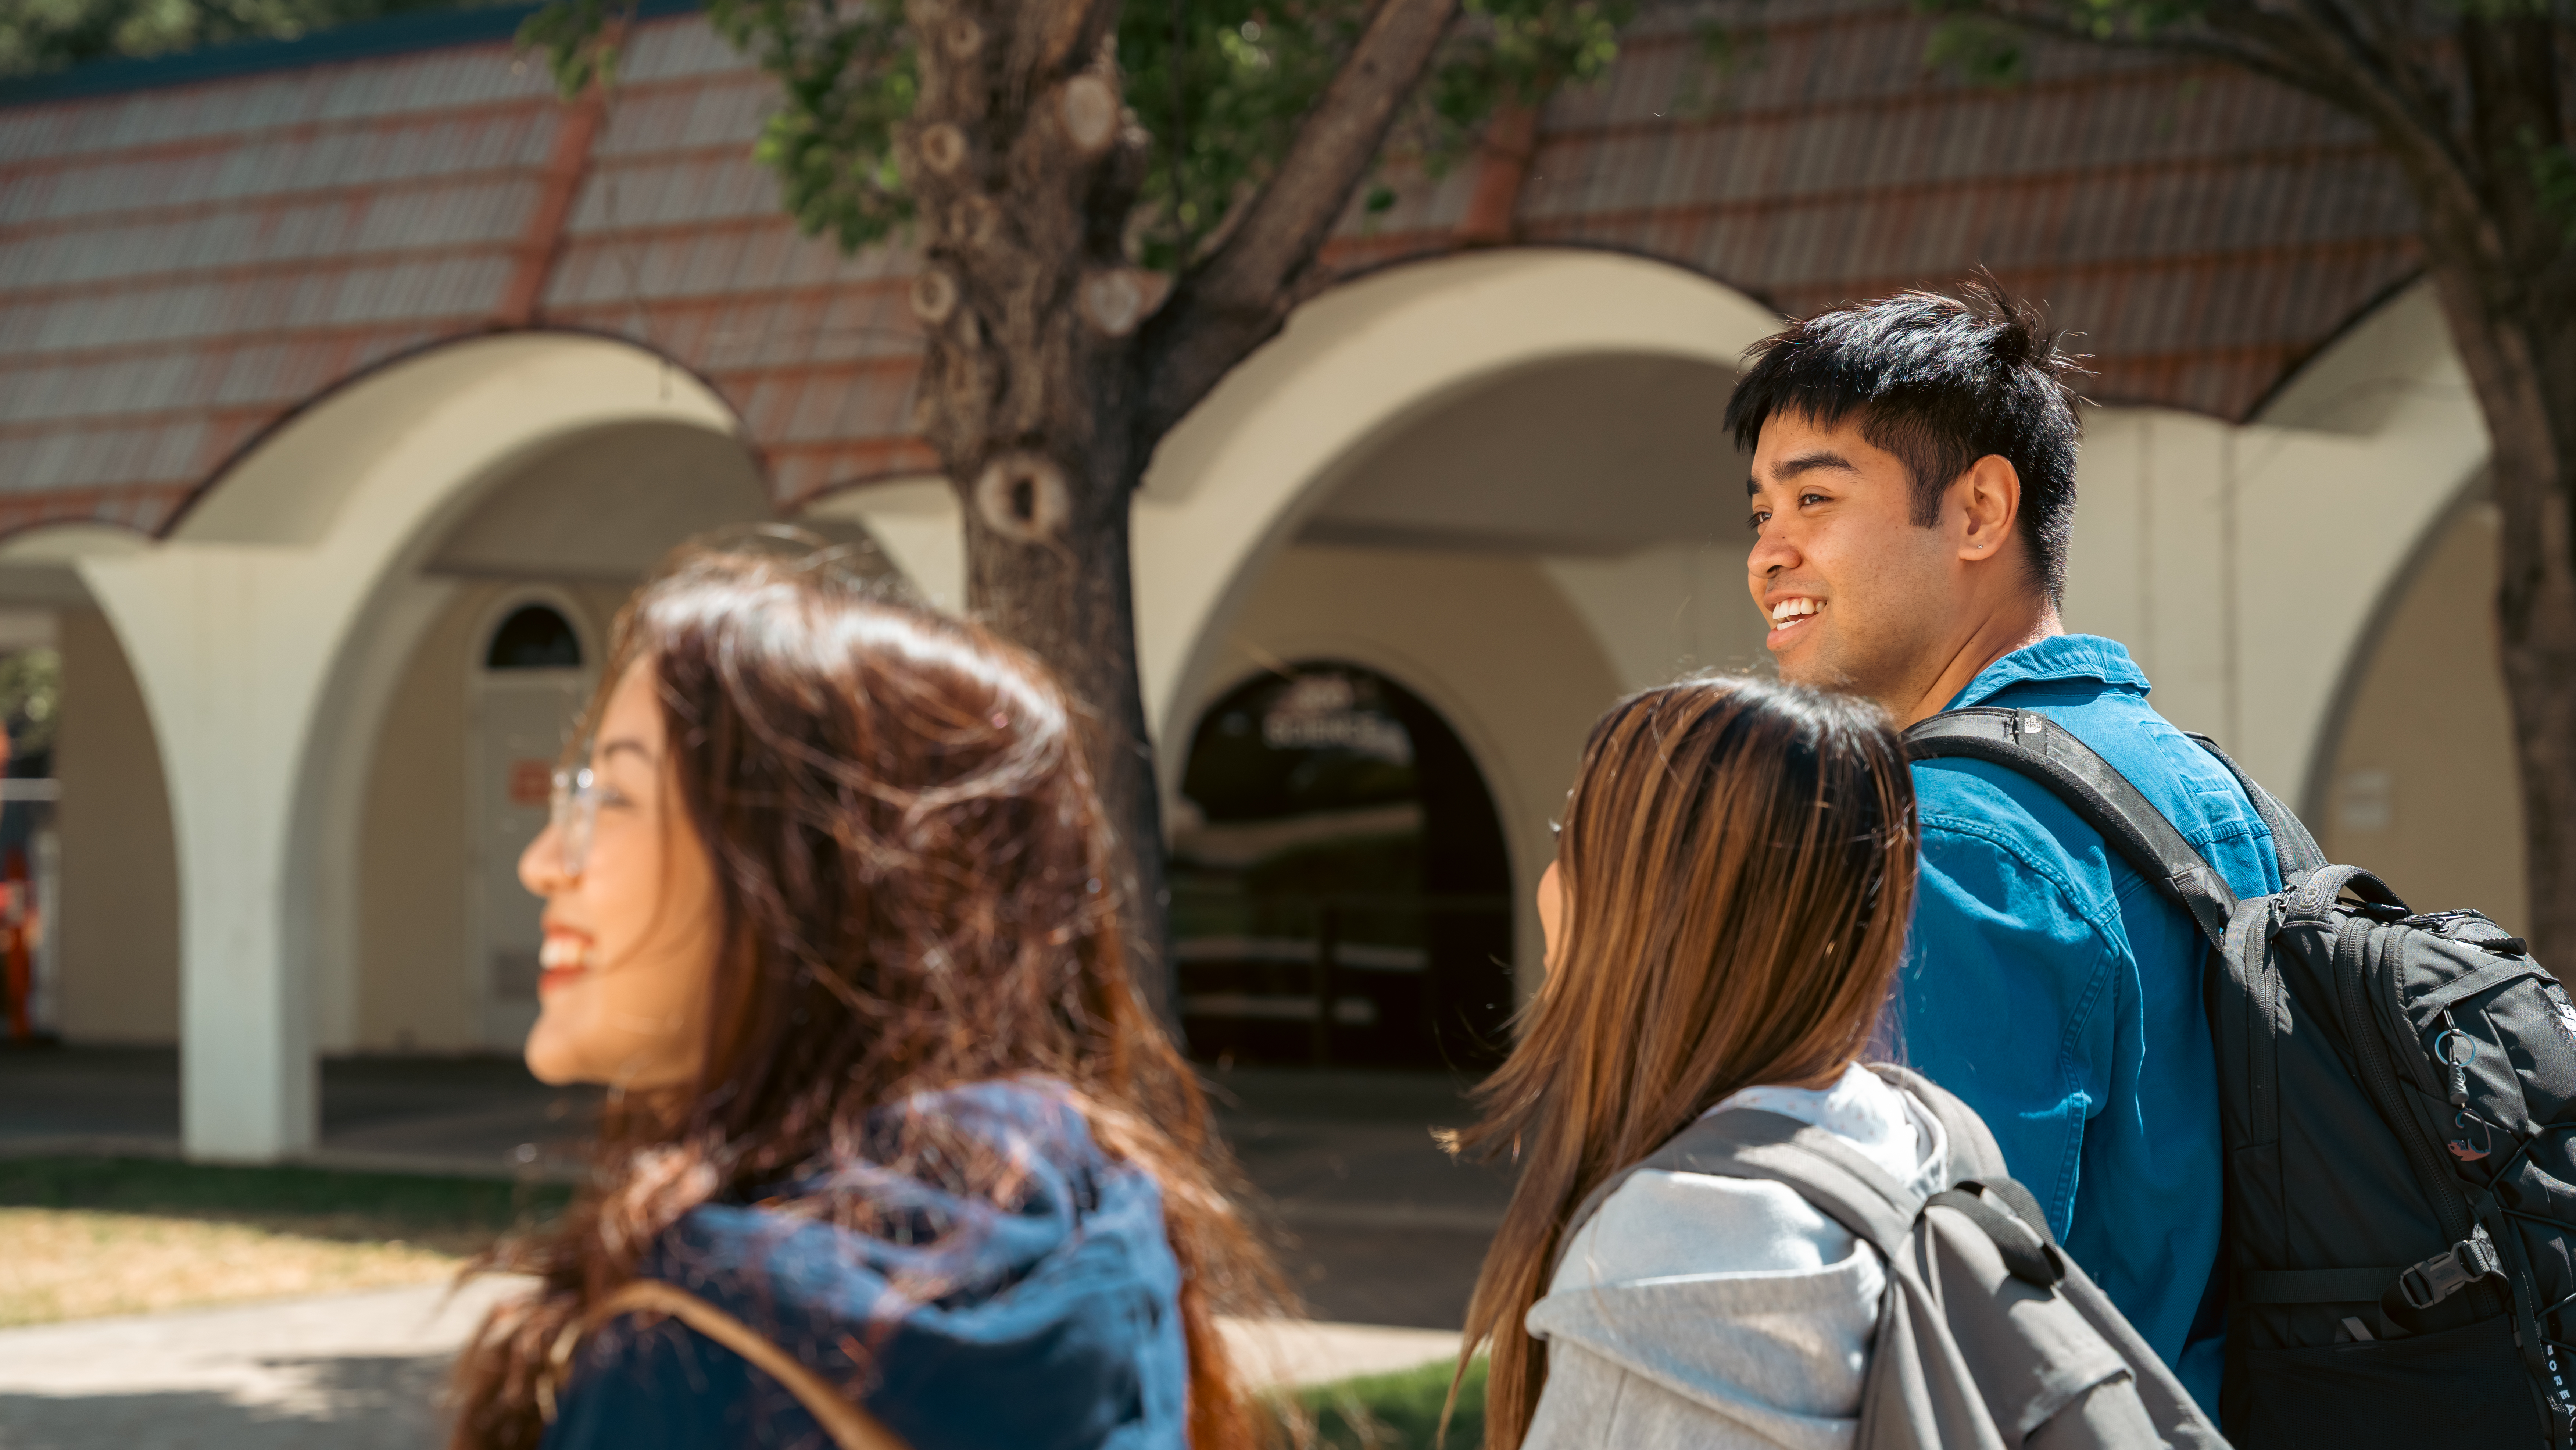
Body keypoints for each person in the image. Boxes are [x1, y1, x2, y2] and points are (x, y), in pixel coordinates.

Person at [446, 545, 1285, 1450]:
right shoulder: (1100, 1234)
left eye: (612, 795)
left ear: (821, 867)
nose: (541, 863)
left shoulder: (708, 1353)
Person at [1726, 279, 2280, 1412]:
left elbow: (1936, 1309)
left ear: (1980, 511)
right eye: (1758, 515)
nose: (1769, 556)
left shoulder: (1953, 837)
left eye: (1814, 499)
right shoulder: (2202, 785)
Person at [1450, 677, 1936, 1448]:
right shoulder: (1915, 1132)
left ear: (1663, 909)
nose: (1551, 882)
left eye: (1568, 842)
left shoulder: (1664, 1247)